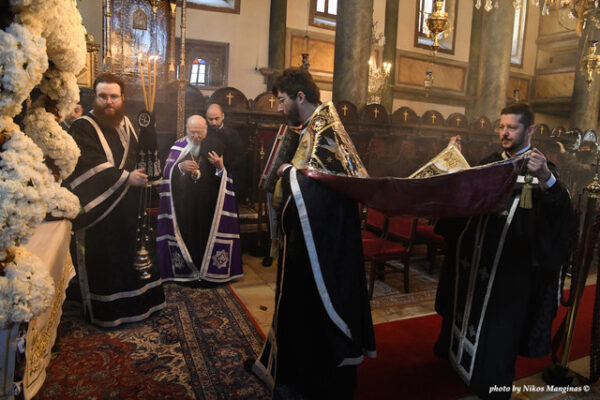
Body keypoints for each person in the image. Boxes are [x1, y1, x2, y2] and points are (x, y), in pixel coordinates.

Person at [250, 68, 376, 399]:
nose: (279, 108)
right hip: (306, 241)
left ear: (300, 97)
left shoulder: (326, 131)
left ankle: (313, 384)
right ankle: (291, 371)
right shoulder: (309, 127)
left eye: (282, 101)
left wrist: (289, 173)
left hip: (324, 244)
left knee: (313, 312)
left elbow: (325, 186)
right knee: (297, 308)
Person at [434, 103, 573, 400]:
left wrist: (546, 178)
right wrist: (454, 161)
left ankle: (491, 385)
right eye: (501, 127)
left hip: (509, 270)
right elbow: (465, 192)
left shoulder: (540, 168)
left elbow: (560, 211)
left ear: (529, 130)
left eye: (512, 127)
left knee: (498, 332)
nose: (505, 133)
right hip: (475, 261)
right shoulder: (491, 161)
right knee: (465, 311)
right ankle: (457, 361)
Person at [64, 73, 166, 327]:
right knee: (109, 259)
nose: (109, 101)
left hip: (130, 207)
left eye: (114, 96)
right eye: (103, 96)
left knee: (132, 255)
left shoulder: (127, 123)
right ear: (95, 97)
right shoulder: (83, 127)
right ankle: (109, 311)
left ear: (122, 98)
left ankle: (140, 303)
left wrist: (149, 144)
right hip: (102, 211)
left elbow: (137, 156)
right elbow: (86, 166)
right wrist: (126, 178)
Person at [156, 115, 242, 282]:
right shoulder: (178, 147)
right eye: (192, 132)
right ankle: (188, 270)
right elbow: (167, 174)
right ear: (187, 130)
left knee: (205, 238)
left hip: (208, 206)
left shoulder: (215, 145)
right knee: (188, 237)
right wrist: (180, 167)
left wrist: (220, 167)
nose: (196, 136)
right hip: (184, 206)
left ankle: (205, 272)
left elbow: (225, 178)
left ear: (205, 130)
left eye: (199, 132)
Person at [206, 103, 246, 203]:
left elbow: (240, 159)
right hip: (208, 181)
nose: (214, 122)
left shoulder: (233, 135)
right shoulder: (204, 134)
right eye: (210, 119)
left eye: (216, 118)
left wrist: (222, 167)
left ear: (223, 116)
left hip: (228, 178)